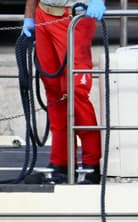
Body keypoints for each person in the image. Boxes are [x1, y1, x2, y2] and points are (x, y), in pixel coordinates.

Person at [21, 0, 105, 184]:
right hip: (44, 15)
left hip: (73, 16)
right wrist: (29, 17)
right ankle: (61, 162)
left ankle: (93, 164)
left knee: (76, 91)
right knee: (54, 90)